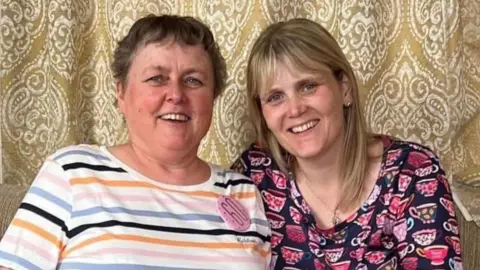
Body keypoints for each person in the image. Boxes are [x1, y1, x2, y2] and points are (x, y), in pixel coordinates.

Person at [0, 14, 270, 269]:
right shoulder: (72, 173)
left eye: (193, 80)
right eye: (156, 78)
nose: (175, 94)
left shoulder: (242, 193)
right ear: (121, 92)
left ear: (213, 96)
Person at [231, 18, 461, 269]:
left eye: (308, 86)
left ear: (345, 88)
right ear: (262, 114)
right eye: (275, 97)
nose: (295, 109)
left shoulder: (413, 172)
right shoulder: (254, 176)